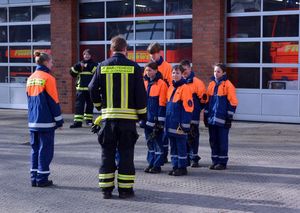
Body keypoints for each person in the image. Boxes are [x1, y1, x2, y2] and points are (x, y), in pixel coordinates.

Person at [89, 35, 147, 199]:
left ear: (111, 49)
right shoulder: (134, 67)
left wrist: (100, 107)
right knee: (126, 155)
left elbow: (92, 88)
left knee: (107, 154)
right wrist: (142, 115)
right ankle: (125, 190)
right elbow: (141, 95)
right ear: (125, 50)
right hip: (128, 122)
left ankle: (106, 190)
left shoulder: (102, 66)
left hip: (108, 121)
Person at [26, 51, 64, 187]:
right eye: (52, 62)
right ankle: (42, 179)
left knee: (35, 149)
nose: (53, 64)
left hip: (33, 121)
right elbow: (54, 101)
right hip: (46, 122)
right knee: (45, 149)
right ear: (46, 62)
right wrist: (59, 121)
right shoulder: (48, 78)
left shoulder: (30, 78)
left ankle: (34, 177)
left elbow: (29, 101)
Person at [204, 63, 238, 170]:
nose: (216, 73)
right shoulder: (211, 85)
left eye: (218, 71)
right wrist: (205, 115)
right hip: (212, 119)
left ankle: (222, 162)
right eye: (215, 71)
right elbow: (207, 102)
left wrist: (229, 118)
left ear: (223, 73)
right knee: (213, 140)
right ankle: (215, 161)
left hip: (223, 119)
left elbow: (233, 103)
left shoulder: (228, 85)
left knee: (222, 141)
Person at [165, 65, 193, 176]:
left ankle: (182, 167)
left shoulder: (185, 88)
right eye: (173, 73)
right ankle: (175, 166)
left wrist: (184, 125)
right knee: (173, 146)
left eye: (177, 73)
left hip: (179, 124)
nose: (174, 75)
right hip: (171, 123)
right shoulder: (171, 87)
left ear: (182, 75)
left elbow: (188, 108)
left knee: (181, 146)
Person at [147, 42, 173, 163]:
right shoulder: (148, 68)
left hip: (163, 101)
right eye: (150, 55)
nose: (152, 57)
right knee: (155, 133)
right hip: (152, 103)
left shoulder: (167, 67)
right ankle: (158, 157)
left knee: (162, 131)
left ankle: (163, 156)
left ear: (159, 53)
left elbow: (170, 85)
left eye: (154, 54)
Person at [143, 62, 168, 174]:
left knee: (158, 143)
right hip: (146, 118)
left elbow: (162, 104)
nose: (148, 73)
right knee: (149, 142)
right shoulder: (145, 82)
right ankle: (151, 162)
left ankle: (157, 165)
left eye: (150, 70)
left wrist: (160, 121)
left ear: (156, 71)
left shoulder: (161, 84)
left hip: (155, 119)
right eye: (147, 70)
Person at [180, 60, 206, 168]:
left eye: (186, 69)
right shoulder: (179, 82)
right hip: (182, 117)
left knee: (193, 137)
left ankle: (194, 158)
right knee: (182, 137)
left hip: (193, 117)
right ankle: (185, 158)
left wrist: (196, 110)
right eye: (182, 69)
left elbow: (204, 99)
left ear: (190, 68)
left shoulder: (197, 82)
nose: (184, 71)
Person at [69, 49, 98, 128]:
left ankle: (89, 121)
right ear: (83, 55)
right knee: (79, 106)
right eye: (85, 54)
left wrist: (86, 65)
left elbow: (96, 72)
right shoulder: (79, 64)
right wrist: (77, 66)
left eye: (88, 54)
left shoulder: (94, 64)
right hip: (80, 89)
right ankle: (78, 122)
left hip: (89, 89)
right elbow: (72, 73)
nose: (86, 56)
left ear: (91, 56)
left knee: (89, 105)